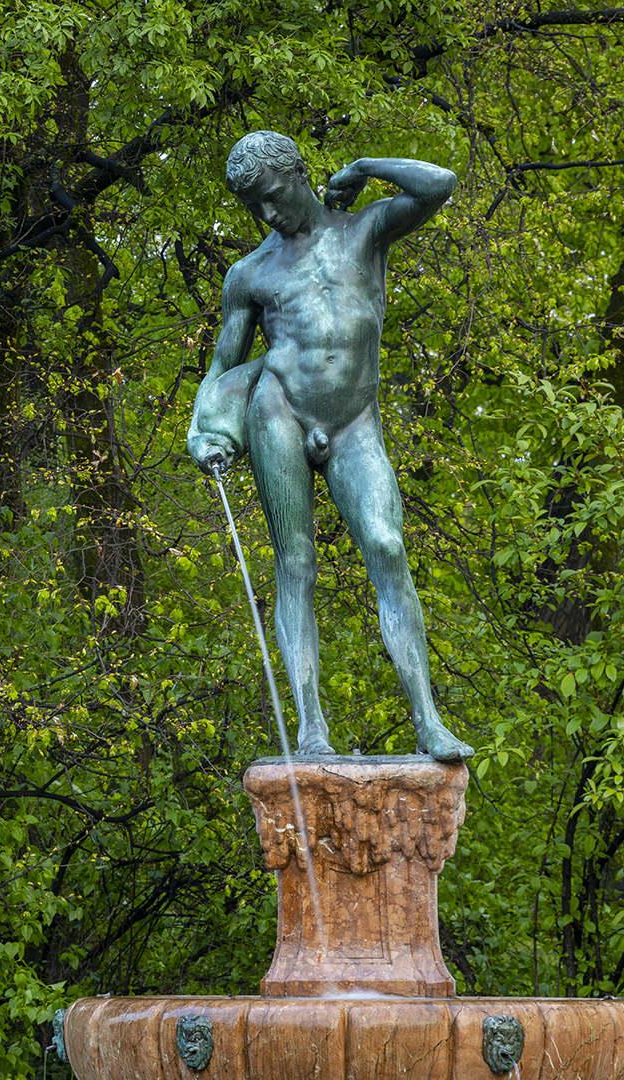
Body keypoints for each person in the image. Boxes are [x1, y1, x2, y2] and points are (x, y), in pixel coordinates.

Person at [187, 130, 473, 761]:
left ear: (298, 175)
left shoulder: (363, 232)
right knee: (295, 563)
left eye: (271, 196)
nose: (266, 214)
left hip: (353, 424)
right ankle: (312, 727)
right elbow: (222, 367)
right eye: (251, 206)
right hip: (279, 413)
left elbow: (440, 184)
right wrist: (206, 431)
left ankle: (428, 720)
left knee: (386, 544)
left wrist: (368, 164)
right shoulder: (250, 274)